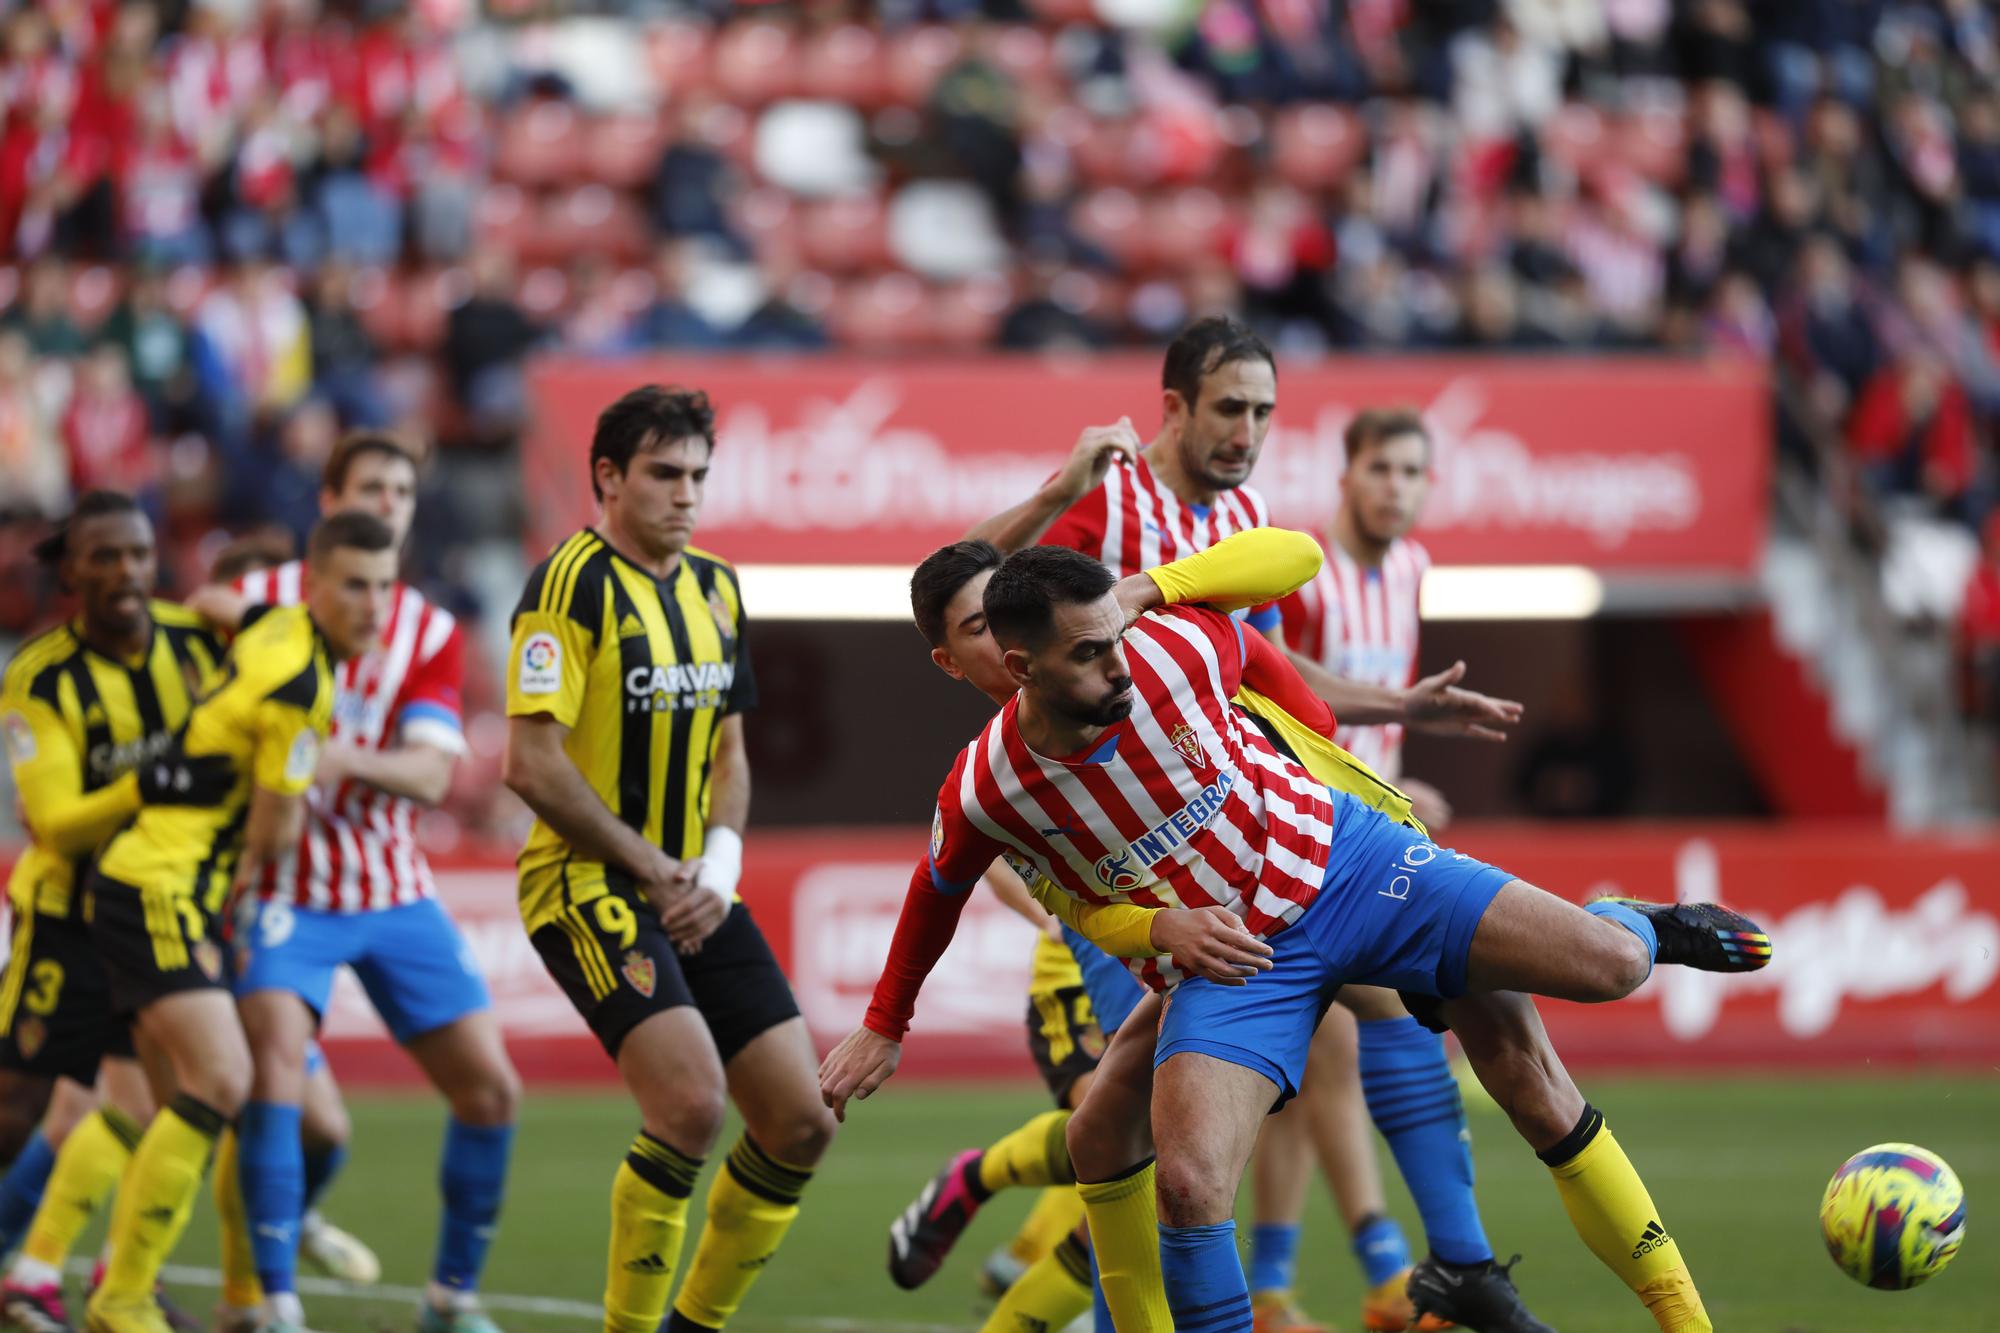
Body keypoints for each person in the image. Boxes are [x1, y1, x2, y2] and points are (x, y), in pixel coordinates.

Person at [826, 535, 1763, 1333]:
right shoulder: (991, 788)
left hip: (1350, 866)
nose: (1120, 666)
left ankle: (1629, 921)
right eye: (1090, 656)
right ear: (1019, 667)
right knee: (1185, 1181)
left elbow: (1286, 572)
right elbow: (939, 887)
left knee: (1601, 978)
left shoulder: (1170, 643)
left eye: (1117, 640)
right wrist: (885, 1021)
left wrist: (1161, 604)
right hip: (1242, 961)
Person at [964, 315, 1530, 1333]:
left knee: (1391, 1007)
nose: (1248, 431)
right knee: (1129, 1148)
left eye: (1264, 411)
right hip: (1122, 869)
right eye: (1229, 408)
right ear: (1171, 406)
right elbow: (960, 605)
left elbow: (1271, 676)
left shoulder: (1243, 523)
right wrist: (1053, 491)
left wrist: (1398, 708)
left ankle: (1453, 1262)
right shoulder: (1108, 497)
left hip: (1238, 852)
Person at [501, 385, 836, 1333]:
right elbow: (529, 762)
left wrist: (716, 870)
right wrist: (651, 864)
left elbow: (730, 755)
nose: (686, 494)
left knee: (803, 1122)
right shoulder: (569, 585)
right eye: (663, 474)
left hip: (693, 886)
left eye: (697, 475)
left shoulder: (719, 587)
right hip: (585, 882)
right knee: (691, 1104)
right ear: (608, 477)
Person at [186, 433, 519, 1333]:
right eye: (371, 485)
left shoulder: (429, 628)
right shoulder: (265, 603)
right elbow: (202, 608)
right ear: (329, 503)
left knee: (490, 1089)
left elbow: (428, 775)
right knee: (278, 1083)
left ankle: (450, 1299)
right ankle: (273, 1306)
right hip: (282, 889)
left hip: (389, 886)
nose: (389, 501)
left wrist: (322, 752)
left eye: (403, 489)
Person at [81, 511, 396, 1333]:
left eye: (385, 586)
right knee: (222, 1080)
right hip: (161, 885)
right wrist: (247, 904)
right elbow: (276, 830)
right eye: (355, 586)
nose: (373, 605)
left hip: (142, 878)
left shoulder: (275, 626)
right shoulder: (302, 687)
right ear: (315, 587)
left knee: (178, 1099)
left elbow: (215, 600)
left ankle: (163, 1293)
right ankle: (121, 1298)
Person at [0, 493, 224, 1333]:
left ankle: (123, 1281)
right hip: (64, 918)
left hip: (160, 913)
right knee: (16, 1108)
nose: (126, 571)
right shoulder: (40, 674)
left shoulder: (195, 643)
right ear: (72, 572)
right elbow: (53, 820)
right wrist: (153, 782)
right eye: (104, 558)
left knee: (170, 1107)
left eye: (136, 553)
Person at [1279, 407, 1453, 831]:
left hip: (1380, 817)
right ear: (1345, 479)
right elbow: (1278, 706)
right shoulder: (1302, 573)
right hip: (1306, 814)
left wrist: (1392, 789)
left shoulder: (1412, 565)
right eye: (1379, 468)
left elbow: (1393, 701)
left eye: (1411, 473)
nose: (1395, 487)